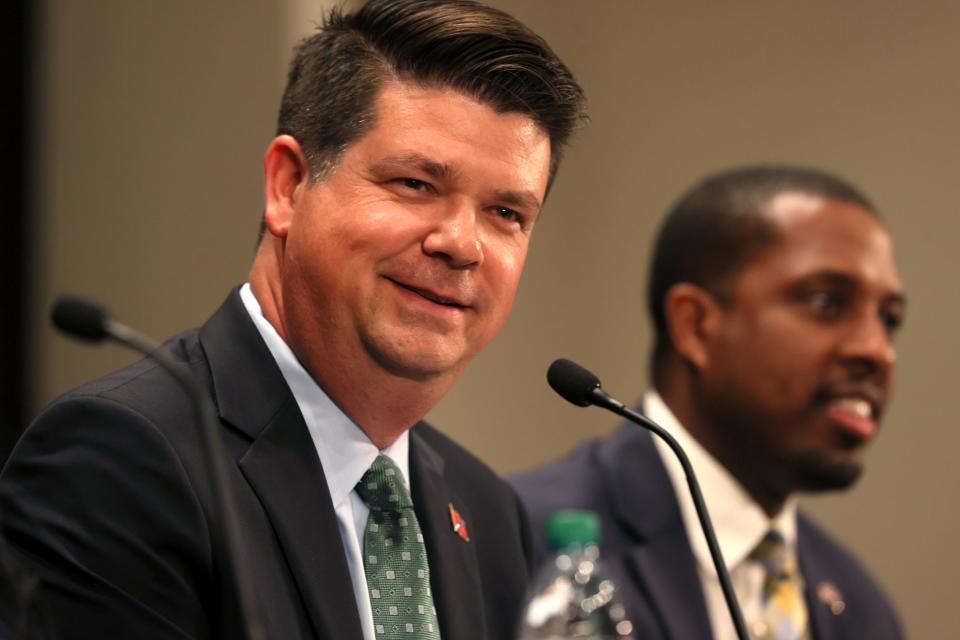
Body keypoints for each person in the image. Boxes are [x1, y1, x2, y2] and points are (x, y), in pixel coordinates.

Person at [0, 1, 586, 638]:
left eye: (506, 214)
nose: (462, 243)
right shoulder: (121, 459)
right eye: (416, 183)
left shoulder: (489, 513)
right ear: (287, 185)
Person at [512, 165, 906, 639]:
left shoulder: (862, 609)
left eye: (889, 319)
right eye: (826, 302)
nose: (876, 350)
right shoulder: (521, 544)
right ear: (696, 326)